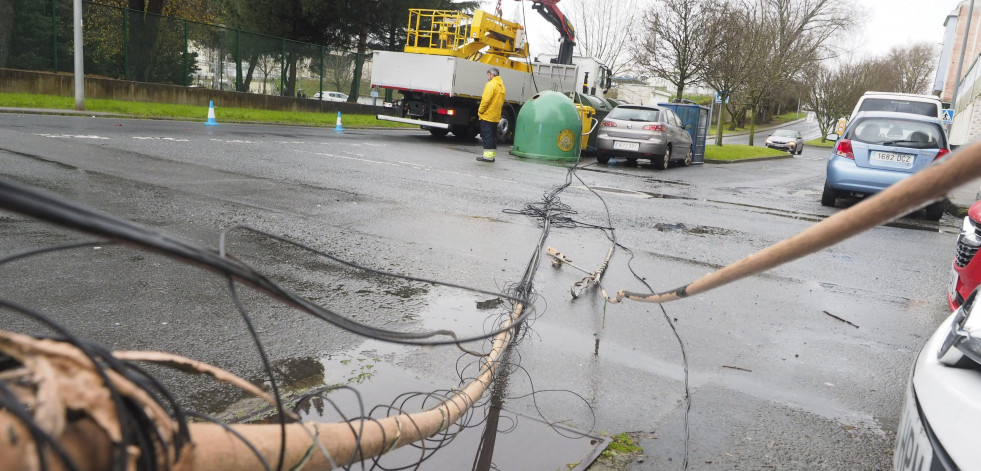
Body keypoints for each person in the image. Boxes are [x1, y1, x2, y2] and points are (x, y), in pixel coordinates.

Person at [477, 68, 506, 163]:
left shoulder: (490, 85)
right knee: (492, 136)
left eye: (488, 75)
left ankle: (487, 157)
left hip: (487, 115)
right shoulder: (501, 86)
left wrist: (480, 110)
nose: (488, 77)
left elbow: (486, 100)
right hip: (495, 116)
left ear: (491, 75)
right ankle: (491, 155)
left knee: (487, 135)